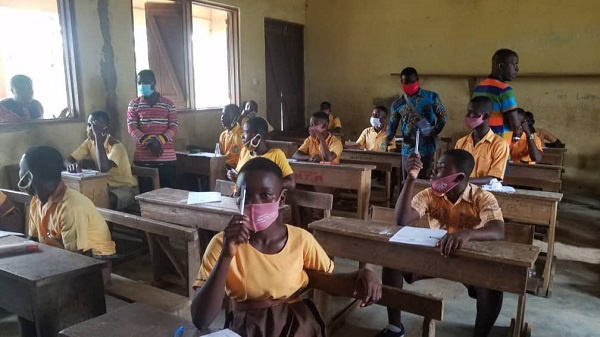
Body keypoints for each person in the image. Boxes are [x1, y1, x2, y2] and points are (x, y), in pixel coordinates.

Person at [190, 157, 381, 336]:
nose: (254, 203)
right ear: (236, 197)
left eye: (265, 195)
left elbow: (328, 282)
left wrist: (362, 275)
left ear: (281, 199)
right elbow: (201, 319)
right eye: (245, 195)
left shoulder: (301, 240)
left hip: (295, 324)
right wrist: (226, 256)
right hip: (247, 327)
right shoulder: (222, 244)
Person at [378, 149, 505, 337]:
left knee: (493, 283)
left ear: (458, 177)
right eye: (435, 167)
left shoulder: (482, 197)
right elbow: (401, 219)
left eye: (441, 168)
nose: (433, 172)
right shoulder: (430, 194)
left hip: (467, 259)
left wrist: (466, 234)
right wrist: (411, 179)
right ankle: (395, 327)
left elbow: (498, 230)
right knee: (392, 261)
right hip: (435, 255)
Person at [18, 145, 116, 256]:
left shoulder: (71, 207)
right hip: (60, 255)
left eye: (20, 169)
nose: (19, 173)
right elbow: (33, 240)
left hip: (93, 262)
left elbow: (77, 259)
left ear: (28, 177)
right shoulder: (36, 202)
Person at [65, 110, 138, 210]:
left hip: (125, 188)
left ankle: (107, 225)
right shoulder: (89, 142)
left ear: (104, 129)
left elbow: (103, 167)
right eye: (88, 125)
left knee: (107, 200)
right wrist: (70, 165)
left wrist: (98, 136)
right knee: (83, 198)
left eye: (94, 126)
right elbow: (69, 159)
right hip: (104, 187)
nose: (89, 129)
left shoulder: (116, 146)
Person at [386, 67, 447, 180]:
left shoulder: (432, 97)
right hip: (407, 149)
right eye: (406, 82)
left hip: (427, 148)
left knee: (423, 181)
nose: (409, 84)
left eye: (412, 82)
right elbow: (392, 125)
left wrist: (435, 130)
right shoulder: (398, 104)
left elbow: (443, 116)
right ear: (401, 83)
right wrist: (388, 141)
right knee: (408, 180)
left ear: (418, 80)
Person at [127, 69, 179, 191]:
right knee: (146, 196)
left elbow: (174, 126)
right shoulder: (134, 104)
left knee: (169, 196)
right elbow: (131, 127)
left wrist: (158, 141)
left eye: (145, 82)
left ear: (153, 83)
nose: (141, 85)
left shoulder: (168, 104)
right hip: (144, 159)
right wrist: (149, 142)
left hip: (166, 159)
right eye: (139, 82)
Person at [228, 117, 296, 189]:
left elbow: (291, 183)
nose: (242, 136)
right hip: (240, 196)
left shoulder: (276, 154)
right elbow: (239, 174)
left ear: (258, 136)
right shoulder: (244, 151)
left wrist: (263, 184)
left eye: (246, 132)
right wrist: (233, 176)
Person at [455, 97, 510, 185]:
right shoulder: (461, 143)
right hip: (462, 191)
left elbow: (494, 178)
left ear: (485, 116)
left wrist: (464, 181)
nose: (467, 116)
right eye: (467, 112)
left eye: (471, 112)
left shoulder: (499, 144)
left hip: (485, 193)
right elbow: (455, 171)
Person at [472, 49, 520, 144]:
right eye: (514, 64)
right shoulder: (504, 90)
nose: (517, 69)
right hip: (498, 145)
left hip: (479, 144)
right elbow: (516, 125)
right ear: (501, 66)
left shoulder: (478, 88)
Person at [219, 104, 244, 168]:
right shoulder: (223, 135)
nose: (222, 117)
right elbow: (221, 155)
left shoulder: (242, 135)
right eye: (222, 114)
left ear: (235, 118)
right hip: (224, 167)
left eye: (226, 115)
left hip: (237, 169)